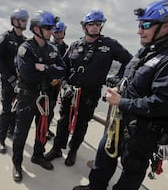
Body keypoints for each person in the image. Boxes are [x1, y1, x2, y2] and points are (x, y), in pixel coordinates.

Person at [73, 0, 168, 190]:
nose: (139, 30)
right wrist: (119, 87)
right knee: (104, 156)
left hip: (144, 130)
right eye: (140, 25)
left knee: (131, 174)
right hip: (122, 121)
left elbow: (163, 102)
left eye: (146, 25)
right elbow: (134, 81)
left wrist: (121, 101)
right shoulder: (148, 51)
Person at [45, 9, 132, 167]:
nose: (94, 27)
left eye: (98, 24)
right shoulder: (75, 46)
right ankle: (57, 148)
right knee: (63, 122)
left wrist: (119, 79)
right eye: (91, 24)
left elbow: (130, 62)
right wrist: (64, 85)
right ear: (85, 27)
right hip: (70, 91)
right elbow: (62, 68)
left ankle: (73, 151)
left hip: (90, 93)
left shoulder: (109, 45)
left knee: (81, 124)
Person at [12, 10, 65, 182]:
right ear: (36, 29)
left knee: (43, 129)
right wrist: (50, 70)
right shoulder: (25, 49)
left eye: (52, 28)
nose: (51, 31)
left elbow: (63, 70)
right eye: (48, 28)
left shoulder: (52, 49)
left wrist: (43, 67)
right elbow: (28, 75)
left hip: (46, 98)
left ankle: (38, 155)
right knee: (21, 133)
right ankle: (17, 164)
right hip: (27, 97)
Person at [0, 8, 28, 154]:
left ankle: (11, 132)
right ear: (15, 21)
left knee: (16, 110)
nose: (25, 22)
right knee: (7, 110)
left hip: (20, 83)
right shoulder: (5, 38)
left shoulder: (25, 41)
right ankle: (0, 139)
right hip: (8, 81)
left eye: (26, 20)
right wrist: (10, 78)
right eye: (23, 20)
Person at [46, 20, 69, 140]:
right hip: (49, 82)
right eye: (57, 32)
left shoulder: (66, 47)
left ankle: (46, 129)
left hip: (59, 83)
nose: (59, 34)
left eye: (61, 32)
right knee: (46, 109)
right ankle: (44, 130)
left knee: (53, 106)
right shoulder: (49, 46)